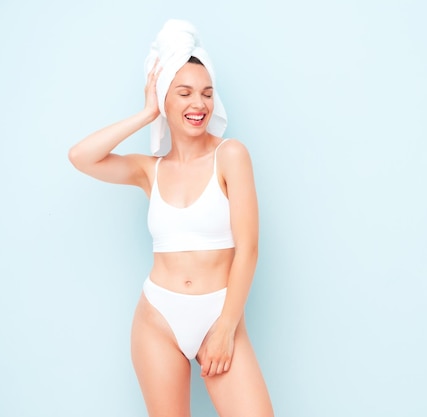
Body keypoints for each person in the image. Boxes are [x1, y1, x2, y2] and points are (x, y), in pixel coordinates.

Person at [68, 20, 274, 417]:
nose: (199, 104)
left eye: (207, 93)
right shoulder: (151, 170)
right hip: (157, 321)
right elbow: (81, 156)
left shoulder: (231, 155)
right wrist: (147, 112)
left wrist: (226, 328)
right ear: (166, 99)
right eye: (184, 93)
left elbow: (248, 249)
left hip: (220, 315)